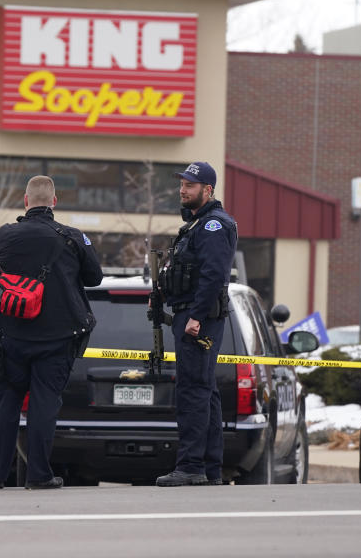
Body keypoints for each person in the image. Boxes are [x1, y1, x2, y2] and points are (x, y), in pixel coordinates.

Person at [0, 175, 103, 489]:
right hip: (56, 339)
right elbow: (95, 277)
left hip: (13, 336)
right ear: (54, 202)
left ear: (25, 201)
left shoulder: (5, 236)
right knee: (44, 405)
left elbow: (4, 258)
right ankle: (38, 475)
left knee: (5, 403)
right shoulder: (73, 238)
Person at [155, 161, 237, 487]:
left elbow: (214, 275)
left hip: (198, 319)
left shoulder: (214, 225)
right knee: (206, 392)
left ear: (208, 190)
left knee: (192, 392)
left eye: (190, 185)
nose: (182, 190)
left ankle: (190, 467)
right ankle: (210, 468)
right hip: (189, 313)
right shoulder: (196, 225)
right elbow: (185, 272)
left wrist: (196, 317)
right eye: (182, 184)